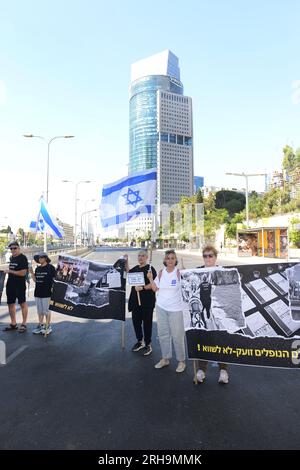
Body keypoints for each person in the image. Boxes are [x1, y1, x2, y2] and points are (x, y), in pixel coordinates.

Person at [148, 249, 186, 373]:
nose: (170, 260)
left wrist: (186, 275)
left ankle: (181, 361)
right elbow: (154, 288)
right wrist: (150, 279)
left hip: (176, 309)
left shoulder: (179, 273)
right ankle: (165, 358)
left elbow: (187, 288)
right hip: (161, 307)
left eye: (172, 258)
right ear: (164, 260)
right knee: (163, 334)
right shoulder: (161, 273)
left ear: (176, 260)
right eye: (168, 258)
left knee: (177, 335)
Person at [196, 245, 229, 384]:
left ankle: (223, 371)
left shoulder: (222, 271)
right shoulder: (196, 272)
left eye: (210, 256)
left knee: (220, 341)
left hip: (218, 312)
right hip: (202, 312)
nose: (208, 258)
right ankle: (201, 370)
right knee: (203, 340)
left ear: (215, 257)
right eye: (205, 256)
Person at [125, 251, 157, 356]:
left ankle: (148, 344)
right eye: (139, 256)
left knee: (147, 324)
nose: (140, 257)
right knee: (136, 323)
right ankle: (140, 341)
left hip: (147, 302)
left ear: (147, 257)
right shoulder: (136, 268)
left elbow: (153, 286)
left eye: (143, 256)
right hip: (135, 301)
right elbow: (128, 272)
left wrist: (142, 288)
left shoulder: (150, 269)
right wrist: (126, 261)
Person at [3, 241, 29, 333]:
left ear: (19, 248)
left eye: (15, 248)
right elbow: (12, 270)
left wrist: (10, 271)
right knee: (10, 303)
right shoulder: (11, 258)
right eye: (11, 248)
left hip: (20, 285)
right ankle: (13, 324)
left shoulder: (23, 258)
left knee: (22, 303)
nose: (13, 250)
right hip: (10, 285)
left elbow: (23, 273)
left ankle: (24, 324)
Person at [30, 252, 56, 335]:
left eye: (41, 257)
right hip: (37, 292)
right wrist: (31, 273)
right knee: (40, 311)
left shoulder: (51, 268)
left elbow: (55, 279)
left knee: (46, 311)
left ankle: (48, 326)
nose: (39, 259)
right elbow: (36, 281)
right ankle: (41, 326)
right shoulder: (38, 269)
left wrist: (53, 289)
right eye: (38, 258)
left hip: (47, 293)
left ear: (45, 258)